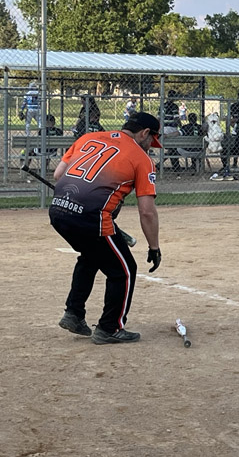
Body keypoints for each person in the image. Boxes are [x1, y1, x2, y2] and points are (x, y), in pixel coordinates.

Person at [50, 112, 163, 345]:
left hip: (59, 211)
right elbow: (147, 212)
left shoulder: (88, 138)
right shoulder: (142, 160)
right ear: (144, 133)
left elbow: (58, 174)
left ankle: (73, 314)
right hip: (91, 218)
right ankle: (109, 328)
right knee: (124, 270)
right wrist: (154, 247)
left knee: (91, 256)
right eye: (152, 140)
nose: (150, 147)